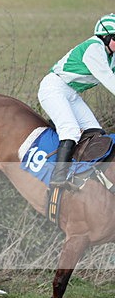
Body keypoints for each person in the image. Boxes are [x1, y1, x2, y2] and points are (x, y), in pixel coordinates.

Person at [38, 13, 115, 188]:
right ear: (106, 37)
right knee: (70, 131)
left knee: (95, 133)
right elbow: (110, 81)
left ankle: (84, 173)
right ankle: (58, 178)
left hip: (70, 93)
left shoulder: (111, 54)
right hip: (53, 88)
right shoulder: (94, 49)